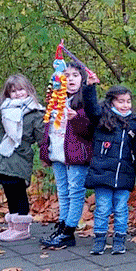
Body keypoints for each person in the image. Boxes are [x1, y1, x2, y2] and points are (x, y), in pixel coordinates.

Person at [84, 83, 136, 255]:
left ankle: (119, 240)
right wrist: (89, 87)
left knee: (121, 209)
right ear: (111, 102)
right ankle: (99, 240)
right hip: (102, 174)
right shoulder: (102, 120)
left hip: (124, 174)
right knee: (102, 208)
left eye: (128, 101)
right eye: (121, 101)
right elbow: (90, 107)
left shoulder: (133, 125)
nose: (125, 105)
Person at [39, 62, 96, 249]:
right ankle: (62, 225)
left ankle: (69, 231)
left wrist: (77, 118)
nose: (70, 79)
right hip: (57, 152)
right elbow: (47, 129)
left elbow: (90, 131)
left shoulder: (86, 102)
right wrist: (45, 152)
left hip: (76, 155)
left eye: (75, 75)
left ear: (82, 79)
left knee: (75, 192)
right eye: (66, 75)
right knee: (62, 192)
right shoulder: (55, 101)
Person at [0, 75, 45, 242]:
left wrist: (46, 152)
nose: (18, 94)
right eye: (13, 91)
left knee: (18, 190)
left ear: (29, 90)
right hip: (2, 156)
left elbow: (41, 136)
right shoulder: (3, 108)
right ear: (8, 93)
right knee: (8, 190)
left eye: (21, 89)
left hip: (20, 156)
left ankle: (22, 228)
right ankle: (13, 226)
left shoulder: (35, 112)